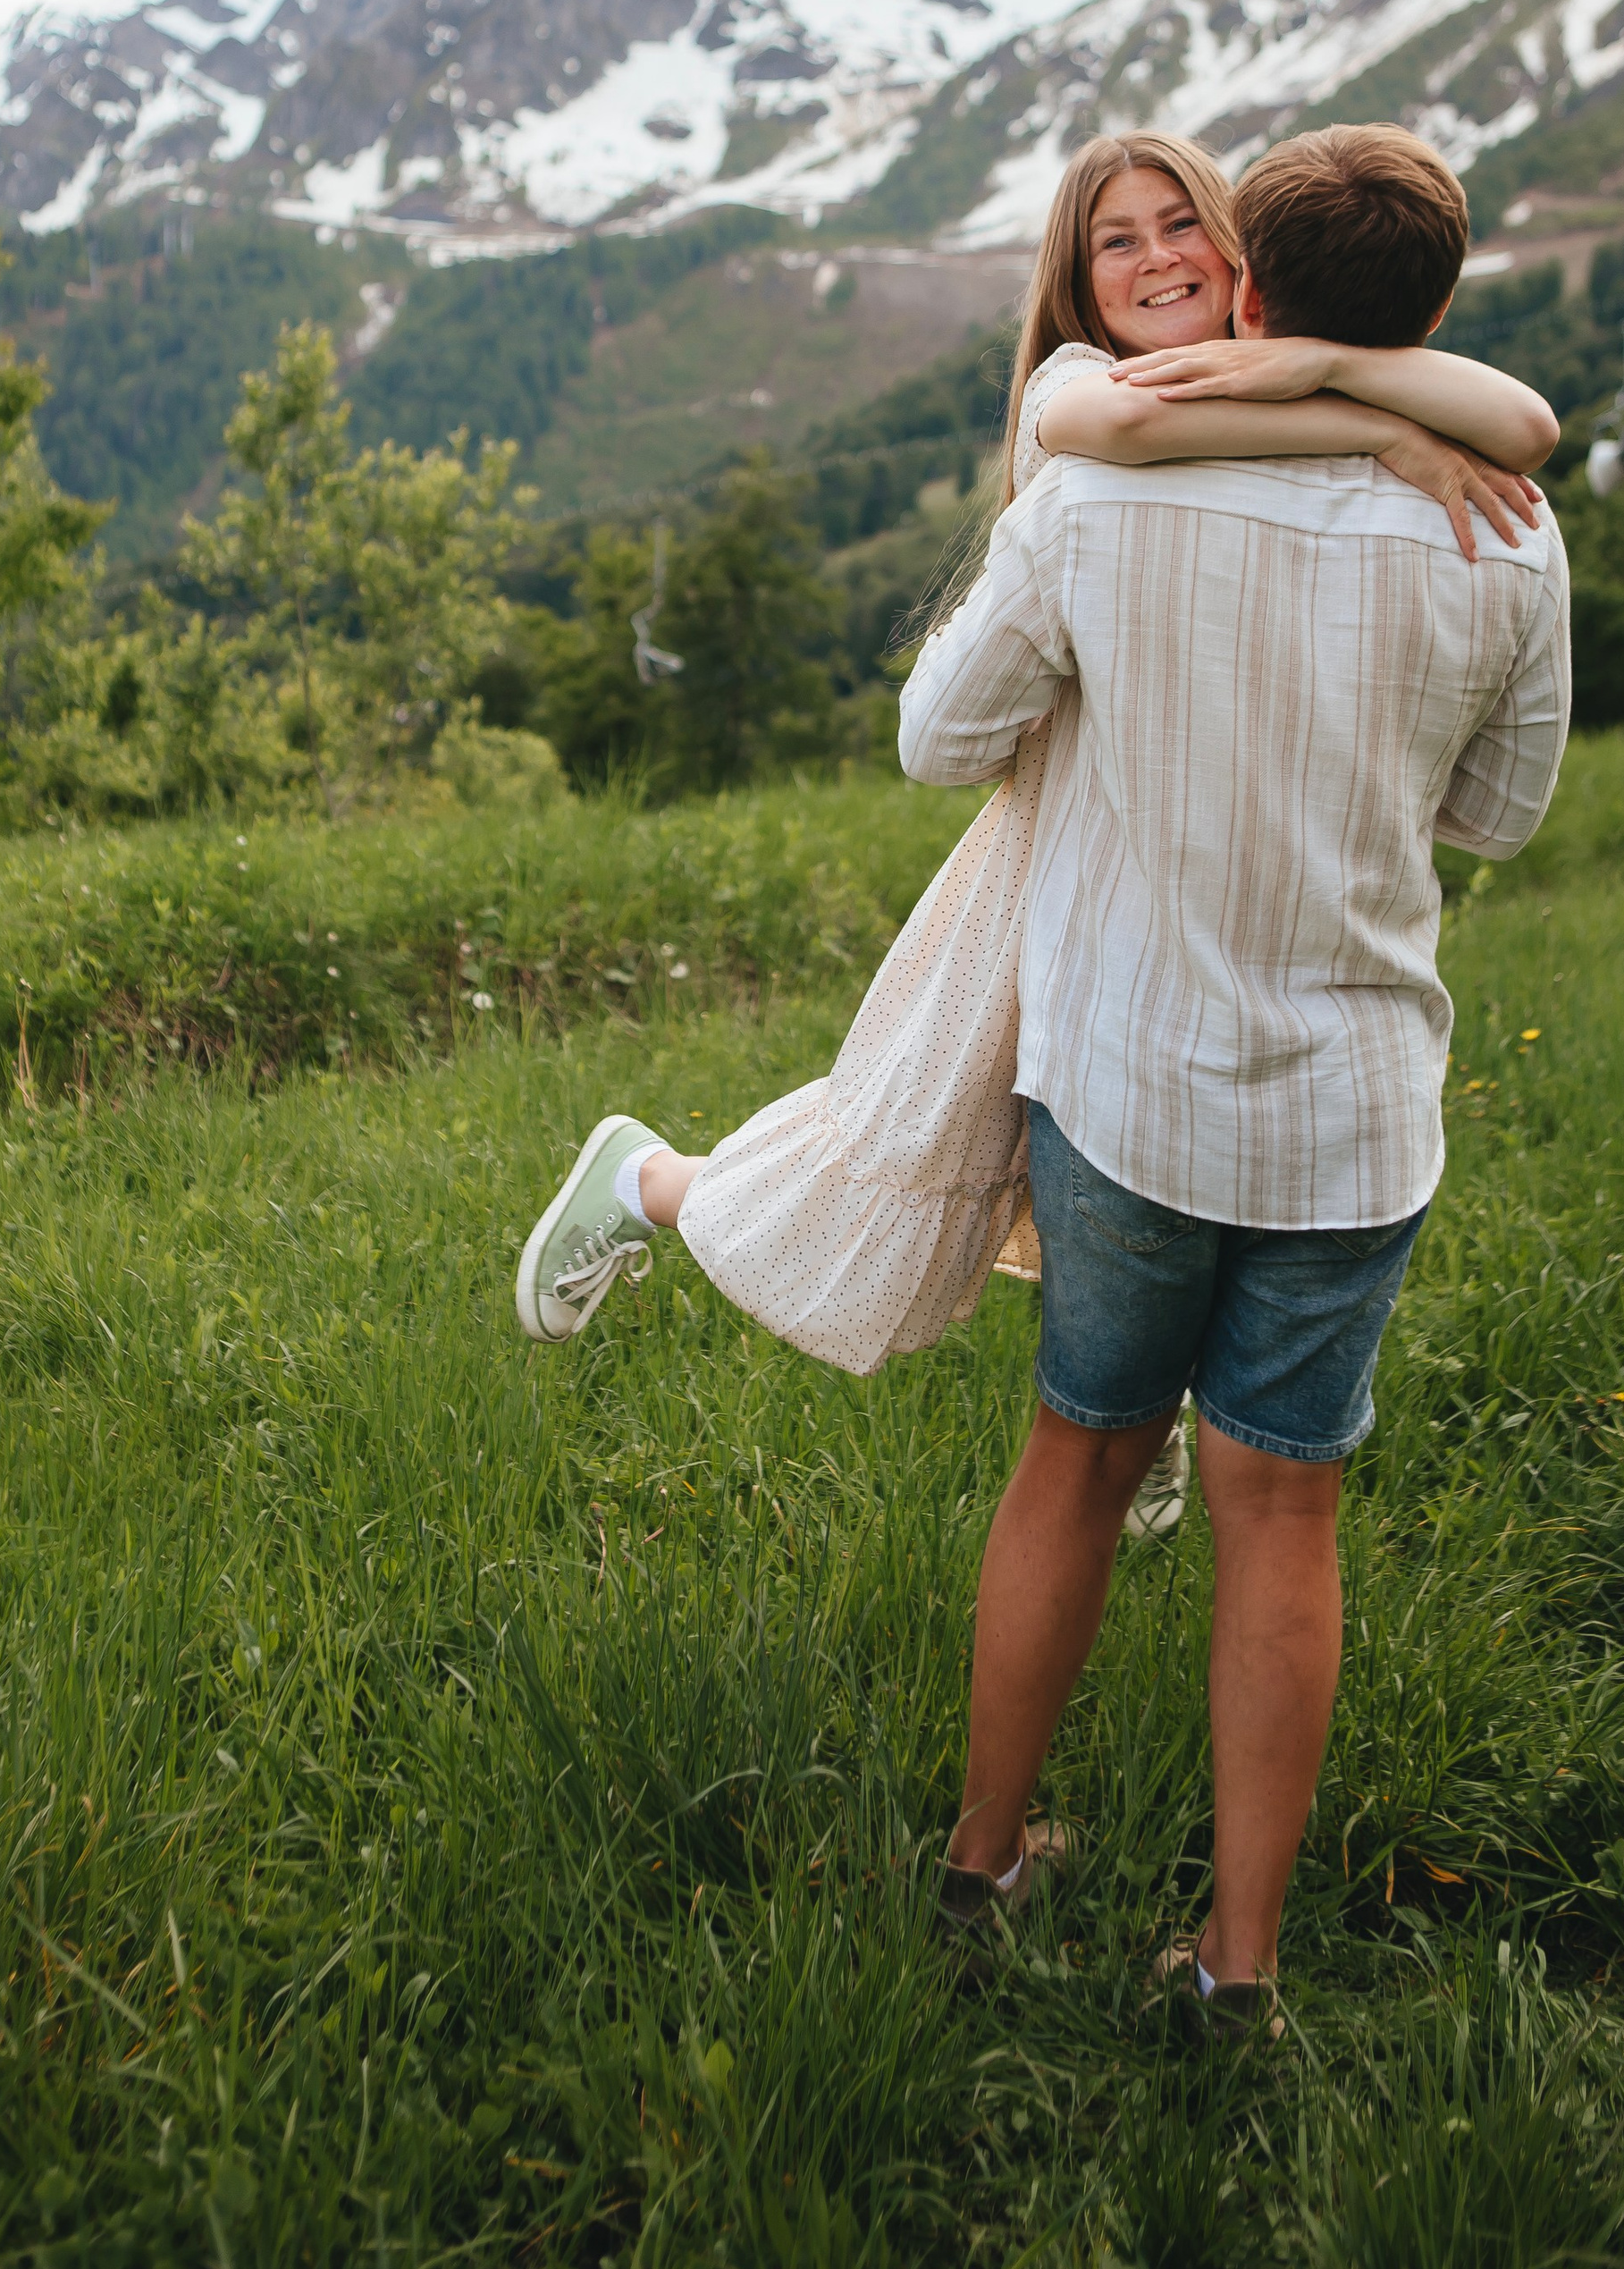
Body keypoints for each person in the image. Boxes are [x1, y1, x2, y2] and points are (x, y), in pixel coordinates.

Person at [513, 132, 1556, 1423]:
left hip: (1165, 842)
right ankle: (646, 1182)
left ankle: (1145, 1399)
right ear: (1075, 280)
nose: (1160, 255)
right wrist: (1378, 421)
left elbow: (1528, 425)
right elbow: (1110, 426)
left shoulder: (1293, 368)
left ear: (1246, 255)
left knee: (1094, 1156)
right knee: (908, 1155)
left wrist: (1340, 374)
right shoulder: (1086, 393)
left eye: (1185, 224)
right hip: (1063, 846)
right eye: (1118, 240)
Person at [894, 123, 1568, 2029]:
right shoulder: (1502, 524)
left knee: (1077, 1457)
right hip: (1348, 1115)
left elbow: (938, 743)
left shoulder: (1095, 500)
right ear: (1423, 310)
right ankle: (1234, 1966)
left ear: (1242, 286)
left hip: (1123, 1085)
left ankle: (981, 1860)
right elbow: (1502, 816)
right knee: (1281, 1516)